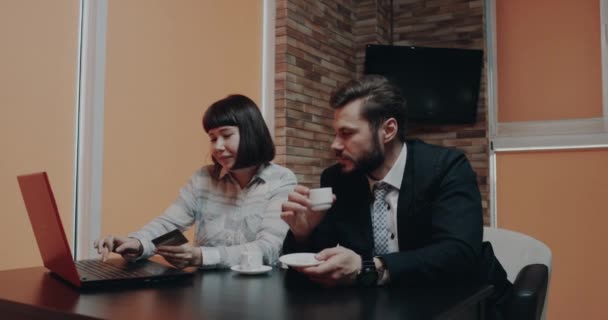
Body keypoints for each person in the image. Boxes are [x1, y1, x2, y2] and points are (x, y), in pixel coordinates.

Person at [281, 75, 511, 317]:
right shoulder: (339, 179)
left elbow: (459, 253)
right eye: (335, 133)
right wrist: (303, 234)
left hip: (471, 304)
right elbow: (320, 261)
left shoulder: (446, 167)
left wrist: (368, 267)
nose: (334, 145)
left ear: (388, 130)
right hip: (389, 308)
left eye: (346, 133)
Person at [95, 94, 297, 269]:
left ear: (252, 133)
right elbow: (170, 223)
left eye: (226, 135)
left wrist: (200, 256)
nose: (218, 146)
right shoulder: (203, 178)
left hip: (260, 292)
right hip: (203, 289)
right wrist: (137, 242)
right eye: (212, 138)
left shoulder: (281, 180)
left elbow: (268, 249)